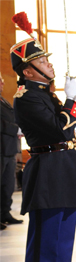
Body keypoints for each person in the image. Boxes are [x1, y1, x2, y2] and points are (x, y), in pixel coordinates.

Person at [11, 12, 76, 262]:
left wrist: (69, 103)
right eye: (42, 62)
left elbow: (66, 126)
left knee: (61, 253)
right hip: (49, 177)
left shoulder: (44, 93)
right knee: (47, 255)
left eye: (47, 60)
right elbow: (58, 128)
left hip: (63, 174)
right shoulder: (26, 97)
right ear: (27, 71)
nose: (50, 64)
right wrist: (71, 103)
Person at [1, 73, 23, 229]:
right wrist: (16, 129)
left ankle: (5, 213)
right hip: (1, 148)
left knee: (8, 185)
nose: (1, 85)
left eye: (2, 82)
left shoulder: (3, 100)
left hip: (9, 148)